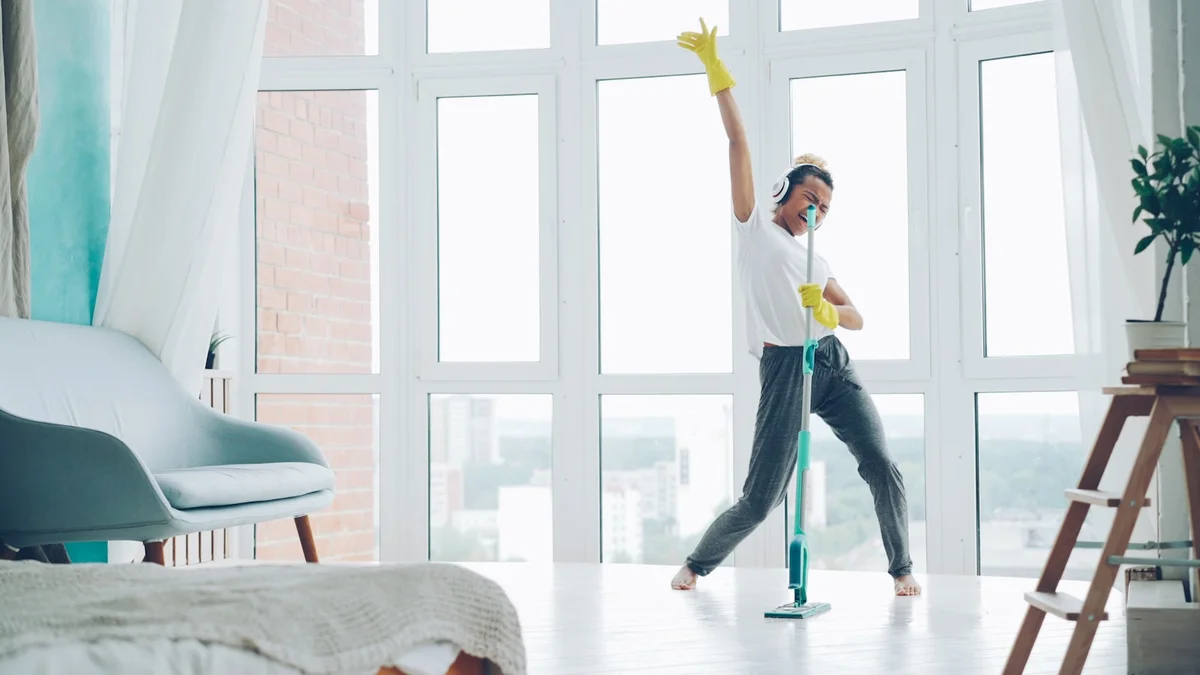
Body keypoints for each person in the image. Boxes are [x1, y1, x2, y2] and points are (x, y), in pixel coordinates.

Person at [671, 19, 921, 598]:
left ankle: (902, 569)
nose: (817, 212)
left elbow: (857, 316)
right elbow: (739, 143)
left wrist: (832, 316)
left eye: (826, 207)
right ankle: (695, 565)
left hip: (832, 363)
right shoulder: (755, 229)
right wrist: (717, 71)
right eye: (811, 198)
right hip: (785, 370)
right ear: (786, 193)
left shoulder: (818, 259)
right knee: (763, 499)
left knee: (882, 465)